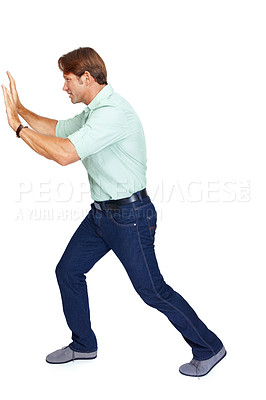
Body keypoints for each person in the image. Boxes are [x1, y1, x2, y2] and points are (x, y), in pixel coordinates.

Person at [2, 47, 226, 377]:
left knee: (153, 291)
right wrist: (19, 108)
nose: (64, 88)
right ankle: (83, 344)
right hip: (101, 217)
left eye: (67, 80)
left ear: (86, 78)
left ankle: (209, 346)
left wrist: (18, 129)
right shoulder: (96, 110)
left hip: (130, 219)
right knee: (67, 271)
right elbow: (58, 129)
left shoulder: (113, 114)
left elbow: (64, 154)